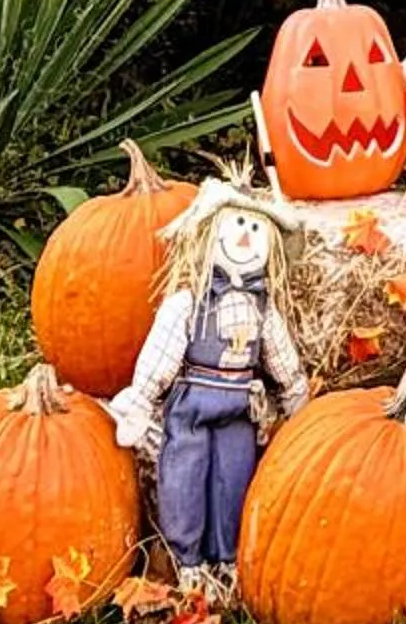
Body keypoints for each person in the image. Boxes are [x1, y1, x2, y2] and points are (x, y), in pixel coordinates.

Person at [108, 177, 308, 583]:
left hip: (238, 409)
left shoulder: (263, 310)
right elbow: (162, 352)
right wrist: (142, 398)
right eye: (236, 225)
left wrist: (295, 395)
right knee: (184, 478)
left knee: (233, 479)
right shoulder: (188, 303)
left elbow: (280, 357)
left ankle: (227, 559)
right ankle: (189, 561)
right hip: (192, 405)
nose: (246, 237)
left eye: (255, 229)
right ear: (210, 234)